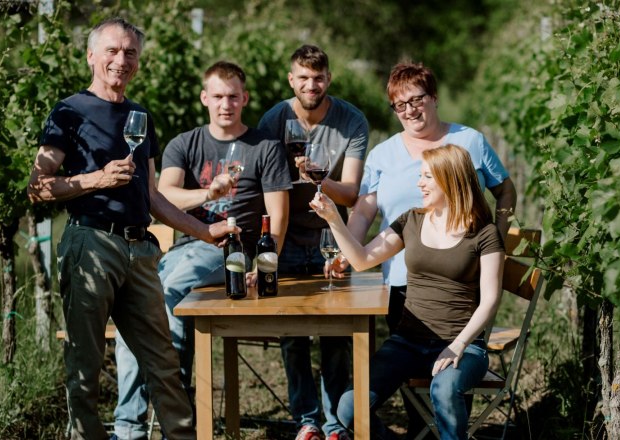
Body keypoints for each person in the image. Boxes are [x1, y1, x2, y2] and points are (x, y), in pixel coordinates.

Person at [27, 18, 238, 440]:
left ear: (138, 61)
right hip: (91, 244)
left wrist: (205, 232)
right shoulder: (69, 111)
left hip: (141, 251)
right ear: (91, 56)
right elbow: (37, 186)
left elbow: (154, 197)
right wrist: (95, 179)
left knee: (164, 361)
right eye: (112, 50)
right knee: (84, 367)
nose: (121, 60)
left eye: (130, 53)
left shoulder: (139, 114)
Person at [112, 61, 291, 439]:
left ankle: (167, 422)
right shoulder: (185, 142)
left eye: (233, 96)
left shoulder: (265, 147)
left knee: (166, 298)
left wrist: (265, 265)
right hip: (186, 245)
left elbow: (278, 215)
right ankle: (134, 426)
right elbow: (163, 195)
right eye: (218, 96)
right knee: (137, 312)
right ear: (204, 98)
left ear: (244, 98)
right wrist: (207, 194)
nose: (225, 104)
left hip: (232, 252)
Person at [311, 145, 505, 440]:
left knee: (444, 389)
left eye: (427, 177)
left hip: (462, 345)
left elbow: (491, 299)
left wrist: (458, 345)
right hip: (408, 342)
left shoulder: (484, 233)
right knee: (349, 406)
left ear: (450, 179)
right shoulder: (411, 220)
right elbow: (362, 260)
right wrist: (333, 220)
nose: (419, 183)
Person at [258, 44, 369, 440]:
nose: (311, 84)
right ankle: (307, 422)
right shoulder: (273, 119)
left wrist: (317, 177)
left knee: (337, 334)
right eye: (303, 78)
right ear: (291, 80)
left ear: (329, 79)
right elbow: (261, 185)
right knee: (292, 334)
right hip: (286, 238)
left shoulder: (351, 121)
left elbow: (352, 193)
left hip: (331, 237)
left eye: (318, 78)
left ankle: (336, 423)